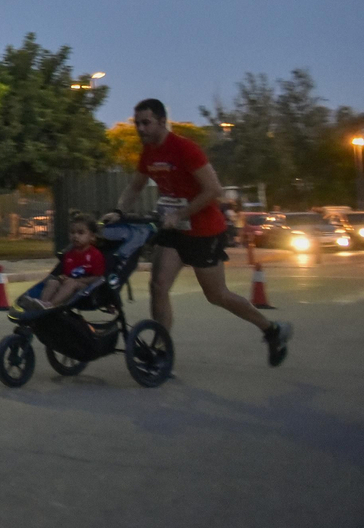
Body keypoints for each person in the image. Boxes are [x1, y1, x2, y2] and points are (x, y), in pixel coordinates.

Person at [117, 99, 293, 366]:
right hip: (174, 230)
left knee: (217, 295)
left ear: (162, 121)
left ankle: (271, 330)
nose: (140, 128)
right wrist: (117, 213)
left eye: (146, 122)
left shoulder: (185, 149)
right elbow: (135, 187)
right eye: (137, 123)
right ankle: (161, 350)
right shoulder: (149, 152)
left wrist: (180, 214)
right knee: (158, 285)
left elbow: (214, 190)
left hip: (204, 230)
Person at [25, 213, 105, 309]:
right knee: (52, 282)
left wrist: (77, 280)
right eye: (72, 232)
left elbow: (97, 278)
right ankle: (42, 303)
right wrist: (62, 277)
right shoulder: (69, 254)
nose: (75, 236)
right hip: (70, 284)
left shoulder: (95, 254)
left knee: (71, 283)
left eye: (80, 233)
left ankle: (51, 305)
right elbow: (67, 273)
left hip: (87, 288)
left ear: (92, 236)